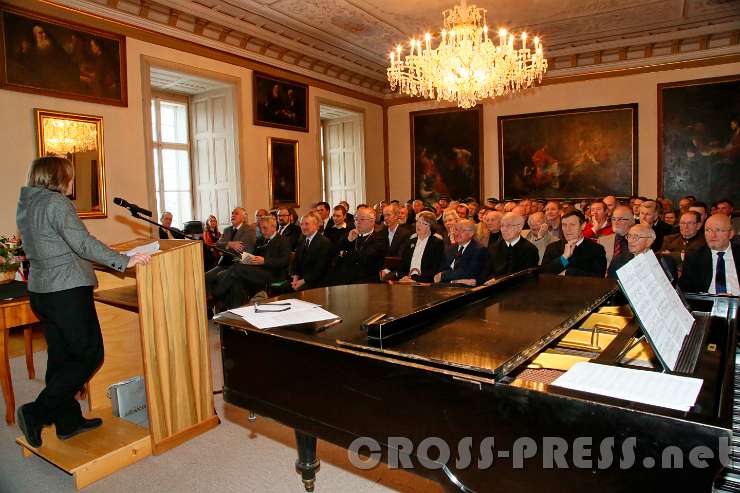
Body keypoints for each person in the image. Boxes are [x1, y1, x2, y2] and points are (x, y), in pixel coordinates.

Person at [15, 156, 151, 448]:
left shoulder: (27, 203)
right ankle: (36, 411)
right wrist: (123, 260)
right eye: (69, 176)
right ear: (56, 177)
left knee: (61, 356)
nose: (72, 182)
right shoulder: (56, 203)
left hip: (41, 291)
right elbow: (83, 243)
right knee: (90, 354)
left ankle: (67, 421)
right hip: (66, 290)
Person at [210, 215, 290, 308]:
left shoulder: (283, 240)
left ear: (273, 227)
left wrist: (265, 261)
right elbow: (254, 257)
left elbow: (284, 261)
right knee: (237, 281)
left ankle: (215, 295)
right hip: (258, 271)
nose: (262, 231)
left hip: (274, 274)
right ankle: (236, 313)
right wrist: (245, 259)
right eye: (261, 228)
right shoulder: (261, 240)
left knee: (236, 268)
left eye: (265, 228)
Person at [326, 206, 388, 285]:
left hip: (366, 280)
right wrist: (348, 240)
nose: (358, 222)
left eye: (362, 219)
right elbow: (334, 251)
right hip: (344, 278)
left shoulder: (380, 238)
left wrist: (344, 254)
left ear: (372, 221)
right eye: (356, 219)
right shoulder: (350, 234)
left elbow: (364, 258)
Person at [679, 214, 739, 295]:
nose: (713, 235)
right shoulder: (694, 257)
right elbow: (686, 291)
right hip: (707, 305)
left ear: (731, 233)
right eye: (708, 230)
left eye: (718, 230)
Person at [383, 211, 445, 283]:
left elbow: (434, 269)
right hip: (407, 278)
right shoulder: (411, 241)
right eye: (418, 222)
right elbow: (403, 264)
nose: (419, 225)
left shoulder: (436, 243)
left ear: (430, 227)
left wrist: (414, 280)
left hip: (425, 281)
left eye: (423, 223)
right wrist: (404, 277)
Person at [541, 210, 607, 277]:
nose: (567, 229)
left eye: (572, 225)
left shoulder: (596, 249)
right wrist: (564, 258)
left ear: (583, 226)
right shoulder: (553, 247)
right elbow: (544, 274)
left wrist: (569, 272)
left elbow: (599, 277)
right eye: (564, 225)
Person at [478, 212, 539, 284]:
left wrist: (498, 279)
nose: (504, 229)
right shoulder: (494, 248)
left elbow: (525, 276)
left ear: (520, 228)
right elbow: (486, 272)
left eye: (508, 226)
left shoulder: (530, 249)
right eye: (502, 226)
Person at [434, 220, 488, 284]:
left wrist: (443, 275)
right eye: (456, 230)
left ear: (471, 233)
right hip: (445, 286)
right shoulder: (450, 248)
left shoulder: (479, 250)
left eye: (462, 230)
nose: (457, 233)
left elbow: (469, 273)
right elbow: (441, 269)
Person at [290, 213, 332, 291]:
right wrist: (295, 279)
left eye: (307, 224)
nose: (303, 227)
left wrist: (303, 281)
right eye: (302, 224)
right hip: (301, 279)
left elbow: (321, 268)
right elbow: (296, 262)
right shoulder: (302, 239)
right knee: (284, 288)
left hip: (317, 281)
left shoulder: (324, 242)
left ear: (315, 225)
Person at [598, 205, 634, 278]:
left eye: (620, 219)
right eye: (613, 219)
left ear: (631, 222)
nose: (616, 222)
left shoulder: (637, 241)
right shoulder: (602, 241)